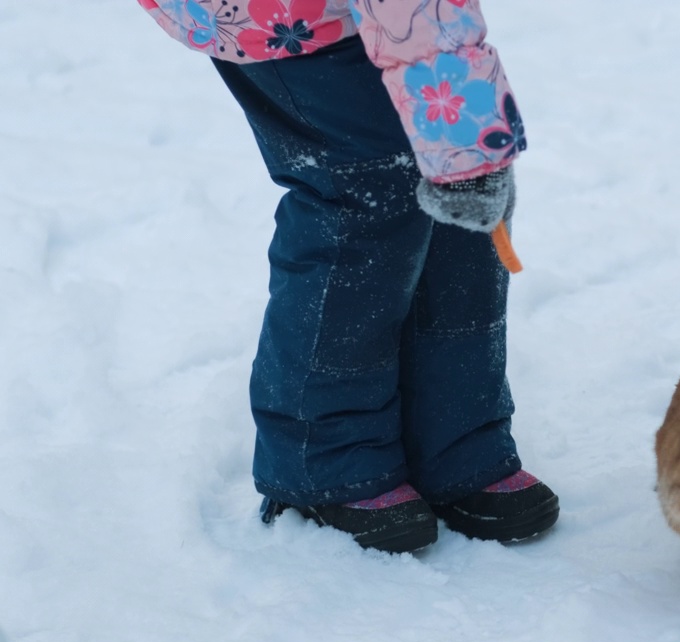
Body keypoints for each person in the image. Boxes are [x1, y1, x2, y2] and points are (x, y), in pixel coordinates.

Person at [138, 0, 558, 552]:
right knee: (362, 198)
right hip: (295, 20)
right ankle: (326, 458)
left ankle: (454, 441)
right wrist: (467, 149)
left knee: (452, 208)